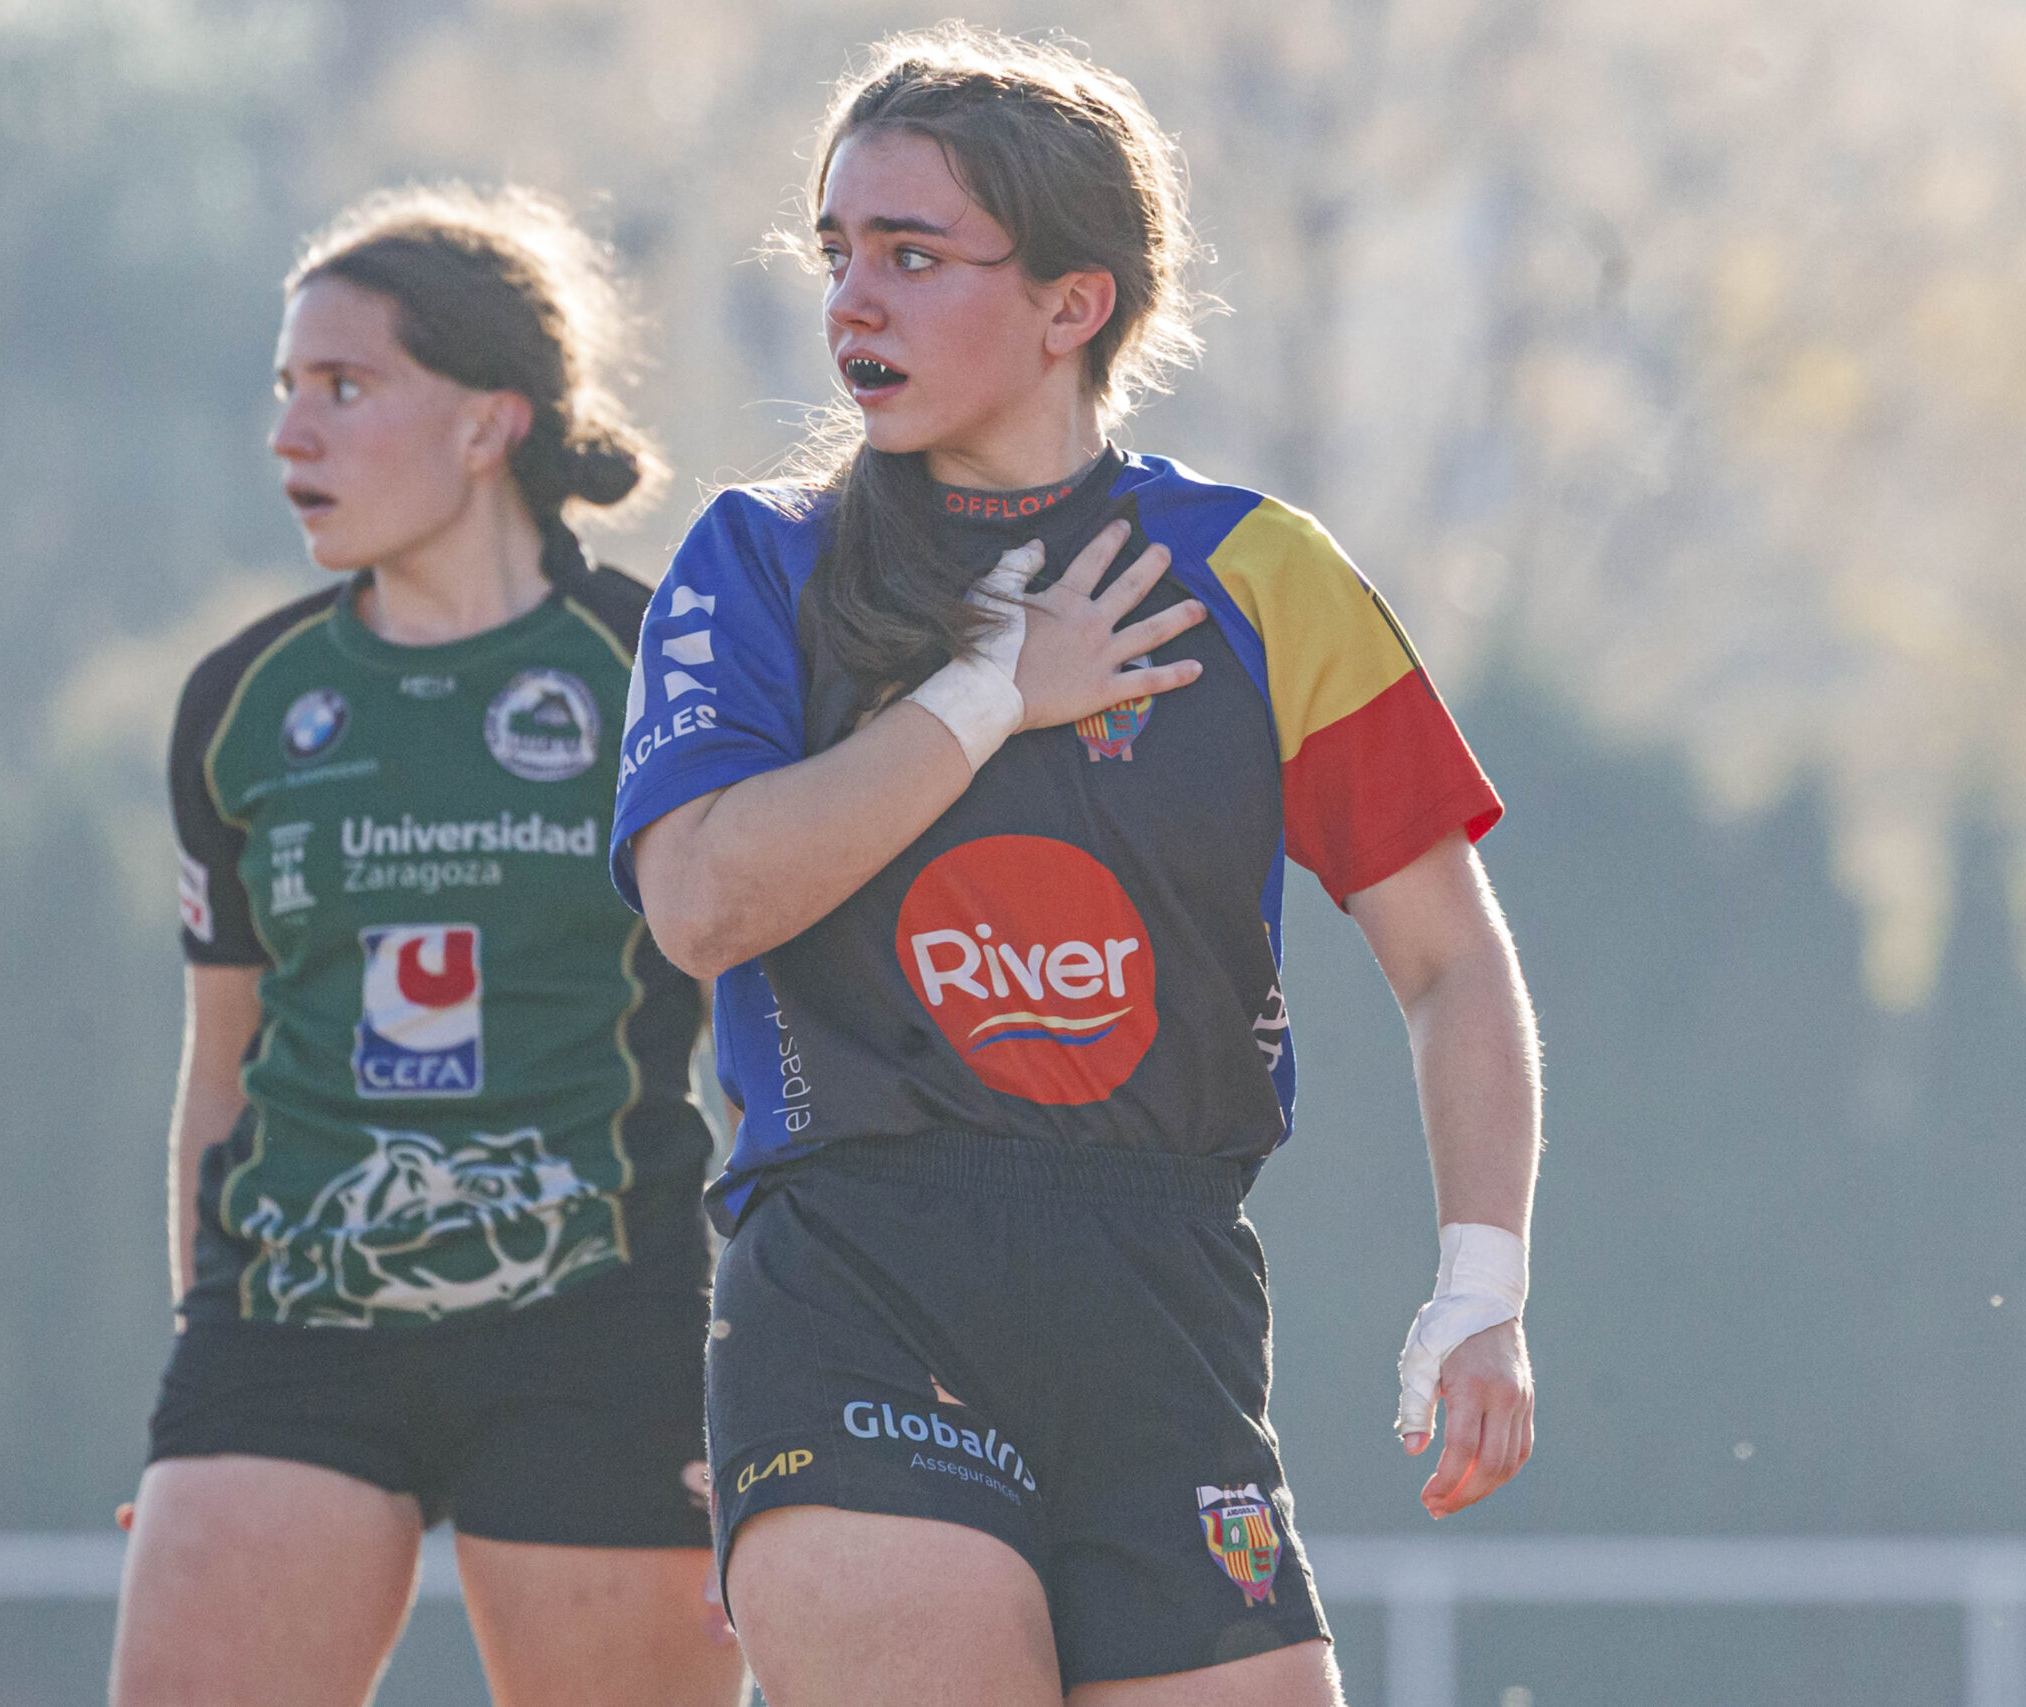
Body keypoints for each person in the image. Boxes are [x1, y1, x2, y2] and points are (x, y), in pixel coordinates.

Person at [611, 28, 1540, 1707]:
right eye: (836, 253)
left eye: (911, 254)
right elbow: (700, 901)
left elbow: (1451, 961)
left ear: (1073, 304)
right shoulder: (759, 560)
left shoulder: (1260, 573)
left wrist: (1482, 1286)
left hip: (1165, 1295)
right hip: (858, 1282)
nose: (851, 302)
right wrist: (988, 693)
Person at [110, 184, 745, 1707]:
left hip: (602, 1327)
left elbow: (782, 1046)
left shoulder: (661, 667)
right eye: (283, 391)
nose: (290, 435)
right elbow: (223, 1071)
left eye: (343, 386)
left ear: (489, 425)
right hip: (293, 1328)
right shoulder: (244, 699)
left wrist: (778, 1371)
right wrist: (207, 1394)